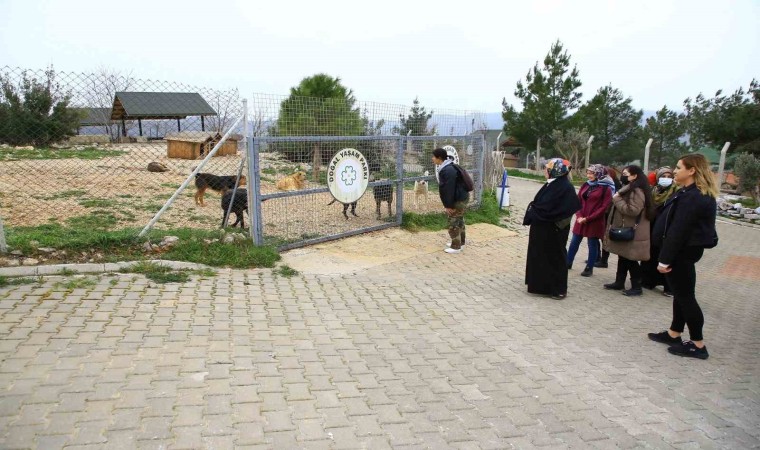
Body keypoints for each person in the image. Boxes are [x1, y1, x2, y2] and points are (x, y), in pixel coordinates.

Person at [648, 154, 718, 359]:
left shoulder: (694, 197)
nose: (675, 171)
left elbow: (678, 231)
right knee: (680, 294)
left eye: (679, 168)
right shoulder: (689, 192)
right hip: (681, 253)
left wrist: (664, 259)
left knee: (686, 298)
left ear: (692, 170)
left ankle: (698, 345)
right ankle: (674, 333)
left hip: (681, 254)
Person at [523, 158, 581, 299]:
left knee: (556, 258)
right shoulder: (552, 184)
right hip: (542, 229)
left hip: (554, 230)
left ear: (555, 171)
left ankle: (558, 289)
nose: (545, 171)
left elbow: (566, 210)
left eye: (547, 169)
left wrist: (552, 223)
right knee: (541, 256)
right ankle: (541, 286)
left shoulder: (565, 187)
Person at [603, 164, 655, 296]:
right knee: (623, 256)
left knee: (630, 259)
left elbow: (633, 210)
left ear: (634, 176)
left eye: (626, 174)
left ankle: (637, 286)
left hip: (633, 232)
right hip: (626, 228)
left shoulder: (636, 190)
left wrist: (617, 199)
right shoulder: (630, 188)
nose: (623, 176)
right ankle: (619, 282)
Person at [566, 164, 613, 277]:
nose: (589, 175)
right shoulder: (585, 185)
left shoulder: (605, 188)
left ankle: (589, 267)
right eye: (588, 173)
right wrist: (579, 216)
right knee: (574, 242)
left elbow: (604, 207)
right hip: (581, 219)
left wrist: (588, 218)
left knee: (592, 244)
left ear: (599, 174)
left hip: (594, 221)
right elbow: (578, 201)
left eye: (592, 173)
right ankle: (567, 262)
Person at [641, 166, 678, 296]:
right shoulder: (654, 191)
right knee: (651, 255)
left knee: (665, 257)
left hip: (667, 229)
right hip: (652, 226)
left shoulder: (676, 193)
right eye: (663, 177)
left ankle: (669, 287)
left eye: (669, 177)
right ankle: (648, 281)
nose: (666, 179)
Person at [432, 148, 469, 254]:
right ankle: (460, 243)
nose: (432, 159)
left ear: (439, 158)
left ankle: (456, 247)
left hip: (458, 199)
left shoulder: (447, 170)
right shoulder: (450, 166)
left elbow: (448, 189)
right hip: (462, 197)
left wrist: (448, 206)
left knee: (453, 222)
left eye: (434, 157)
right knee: (459, 220)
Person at [595, 167, 621, 269]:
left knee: (604, 237)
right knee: (596, 236)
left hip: (608, 215)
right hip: (601, 213)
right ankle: (597, 256)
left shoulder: (615, 185)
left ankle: (604, 260)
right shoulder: (601, 183)